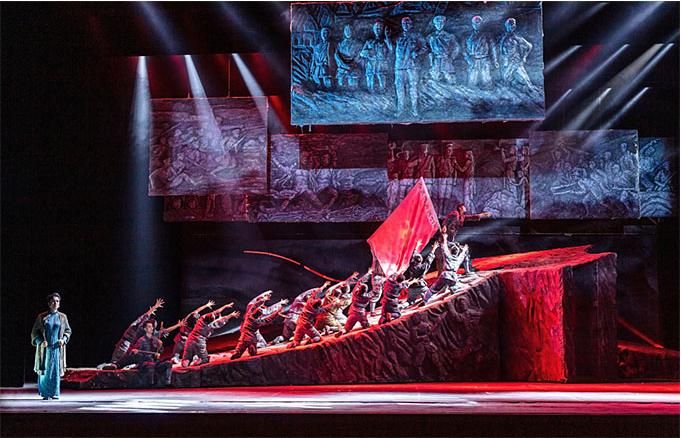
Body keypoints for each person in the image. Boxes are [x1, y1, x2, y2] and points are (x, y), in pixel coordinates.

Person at [106, 320, 173, 387]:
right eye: (149, 327)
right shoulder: (141, 340)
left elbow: (160, 352)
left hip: (155, 362)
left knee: (168, 363)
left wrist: (160, 347)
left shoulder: (156, 340)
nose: (152, 328)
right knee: (144, 360)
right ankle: (116, 365)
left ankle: (167, 383)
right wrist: (135, 351)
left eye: (152, 327)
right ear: (145, 329)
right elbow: (135, 352)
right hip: (145, 363)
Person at [31, 292, 72, 400]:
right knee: (45, 369)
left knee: (55, 370)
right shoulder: (42, 317)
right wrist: (40, 341)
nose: (55, 303)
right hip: (45, 348)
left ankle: (54, 392)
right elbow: (35, 333)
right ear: (49, 303)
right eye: (53, 301)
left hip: (57, 347)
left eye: (57, 301)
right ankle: (45, 393)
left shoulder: (62, 317)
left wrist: (63, 340)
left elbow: (68, 331)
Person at [232, 294, 288, 359]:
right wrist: (280, 307)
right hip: (251, 337)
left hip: (247, 336)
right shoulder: (258, 322)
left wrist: (263, 299)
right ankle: (246, 350)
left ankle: (241, 351)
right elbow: (269, 318)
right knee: (249, 350)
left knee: (241, 348)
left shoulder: (249, 316)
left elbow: (255, 306)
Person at [109, 298, 164, 364]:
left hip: (128, 346)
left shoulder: (142, 330)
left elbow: (154, 332)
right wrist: (155, 307)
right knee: (116, 362)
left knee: (122, 362)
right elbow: (144, 316)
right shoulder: (135, 326)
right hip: (123, 345)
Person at [394, 16, 426, 116]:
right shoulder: (398, 37)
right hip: (400, 66)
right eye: (403, 23)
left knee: (413, 88)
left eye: (408, 23)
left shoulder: (417, 36)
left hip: (412, 65)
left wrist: (418, 52)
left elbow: (425, 47)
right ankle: (400, 109)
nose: (405, 25)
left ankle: (415, 109)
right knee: (399, 88)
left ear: (411, 24)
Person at [170, 300, 215, 364]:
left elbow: (197, 310)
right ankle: (175, 357)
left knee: (193, 346)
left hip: (188, 339)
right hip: (183, 338)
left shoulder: (193, 317)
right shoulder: (190, 322)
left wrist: (206, 305)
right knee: (180, 346)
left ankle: (194, 356)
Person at [498, 18, 535, 92]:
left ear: (514, 27)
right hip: (507, 62)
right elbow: (501, 50)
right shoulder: (503, 38)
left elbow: (529, 46)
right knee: (506, 79)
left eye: (512, 26)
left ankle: (527, 87)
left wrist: (524, 57)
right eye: (509, 26)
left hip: (515, 62)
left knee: (524, 80)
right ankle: (518, 85)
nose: (510, 28)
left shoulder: (517, 38)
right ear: (506, 26)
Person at [464, 15, 498, 89]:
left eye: (478, 23)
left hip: (484, 60)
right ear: (472, 24)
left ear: (481, 24)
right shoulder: (468, 36)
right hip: (473, 61)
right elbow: (464, 49)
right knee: (471, 83)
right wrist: (467, 58)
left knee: (487, 82)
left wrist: (495, 61)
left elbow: (493, 48)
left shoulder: (488, 35)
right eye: (475, 23)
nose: (477, 25)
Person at [359, 21, 393, 92]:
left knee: (382, 80)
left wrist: (387, 38)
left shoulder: (385, 41)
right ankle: (370, 91)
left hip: (381, 64)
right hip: (371, 64)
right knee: (370, 80)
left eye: (380, 28)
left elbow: (391, 50)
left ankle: (382, 91)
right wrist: (367, 52)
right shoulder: (369, 42)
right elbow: (361, 53)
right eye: (376, 28)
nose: (378, 30)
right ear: (374, 29)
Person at [427, 15, 460, 83]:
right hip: (435, 60)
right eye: (437, 23)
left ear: (444, 24)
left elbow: (456, 47)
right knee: (435, 79)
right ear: (435, 25)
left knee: (450, 79)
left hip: (446, 59)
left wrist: (451, 57)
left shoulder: (449, 36)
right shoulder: (430, 37)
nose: (439, 25)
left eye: (441, 23)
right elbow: (427, 48)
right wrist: (430, 57)